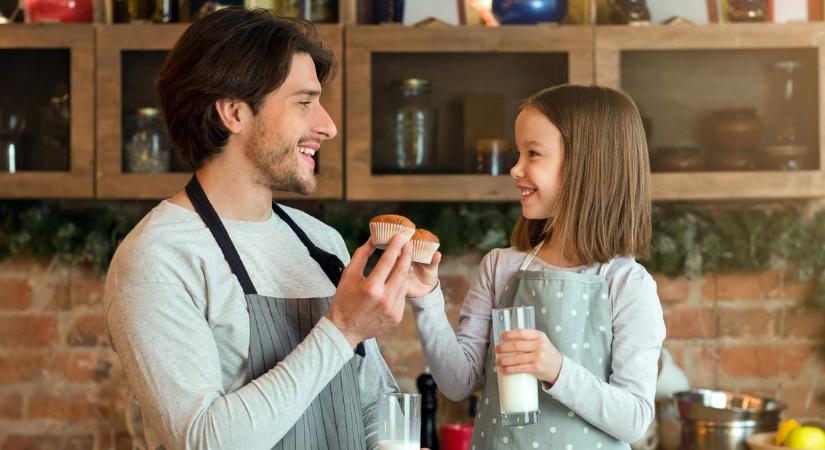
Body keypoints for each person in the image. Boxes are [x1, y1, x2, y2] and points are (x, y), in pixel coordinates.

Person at [103, 7, 414, 450]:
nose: (328, 126)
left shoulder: (321, 243)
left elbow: (372, 399)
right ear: (233, 112)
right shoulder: (157, 258)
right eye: (305, 102)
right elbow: (203, 440)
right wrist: (342, 329)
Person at [407, 84, 666, 449]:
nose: (515, 168)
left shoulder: (627, 284)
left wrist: (557, 369)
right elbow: (456, 382)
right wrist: (425, 299)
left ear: (586, 167)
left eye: (533, 154)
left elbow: (634, 419)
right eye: (518, 153)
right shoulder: (500, 268)